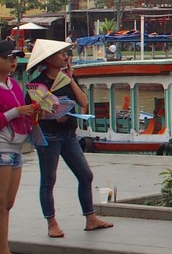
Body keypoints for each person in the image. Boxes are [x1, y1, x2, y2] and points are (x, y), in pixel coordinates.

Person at [26, 39, 113, 237]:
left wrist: (70, 78)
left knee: (85, 175)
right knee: (48, 180)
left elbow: (83, 101)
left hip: (69, 134)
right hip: (49, 135)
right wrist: (51, 115)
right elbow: (32, 111)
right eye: (60, 54)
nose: (65, 57)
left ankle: (90, 217)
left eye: (65, 53)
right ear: (48, 60)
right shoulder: (39, 84)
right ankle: (51, 223)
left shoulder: (66, 79)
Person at [0, 40, 40, 254]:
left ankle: (4, 251)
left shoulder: (12, 84)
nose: (13, 61)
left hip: (16, 148)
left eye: (15, 57)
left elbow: (20, 114)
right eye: (8, 57)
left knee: (7, 204)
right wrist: (15, 112)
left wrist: (33, 113)